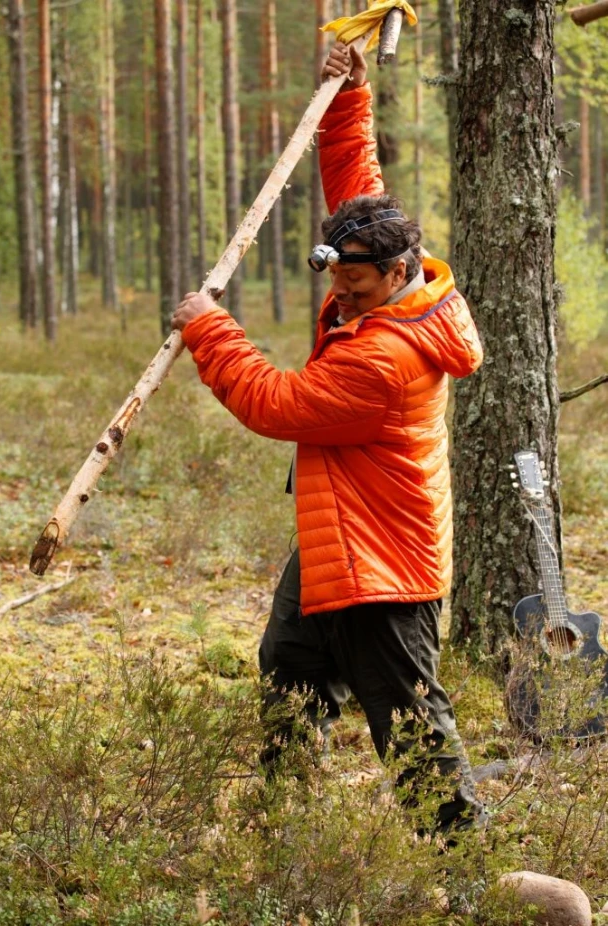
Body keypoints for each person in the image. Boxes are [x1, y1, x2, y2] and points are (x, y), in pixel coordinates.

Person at [171, 41, 485, 835]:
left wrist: (213, 331)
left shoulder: (387, 358)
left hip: (385, 563)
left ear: (401, 271)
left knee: (410, 723)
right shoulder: (387, 282)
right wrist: (346, 95)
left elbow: (276, 403)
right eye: (335, 276)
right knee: (291, 667)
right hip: (338, 535)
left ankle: (466, 862)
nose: (341, 296)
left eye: (357, 284)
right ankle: (289, 826)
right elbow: (358, 185)